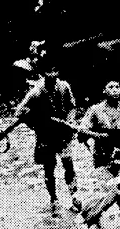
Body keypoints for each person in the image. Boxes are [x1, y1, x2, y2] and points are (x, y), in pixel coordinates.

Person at [14, 61, 78, 206]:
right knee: (49, 168)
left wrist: (70, 122)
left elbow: (72, 107)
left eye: (55, 71)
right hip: (45, 135)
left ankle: (74, 195)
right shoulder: (36, 92)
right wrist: (35, 124)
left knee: (68, 163)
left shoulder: (64, 87)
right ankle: (54, 199)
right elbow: (19, 112)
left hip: (63, 134)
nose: (52, 75)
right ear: (43, 74)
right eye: (49, 72)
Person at [79, 81, 120, 219]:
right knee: (106, 196)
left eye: (117, 87)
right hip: (101, 160)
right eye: (111, 87)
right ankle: (92, 221)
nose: (115, 90)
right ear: (104, 91)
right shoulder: (95, 110)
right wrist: (97, 137)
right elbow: (82, 132)